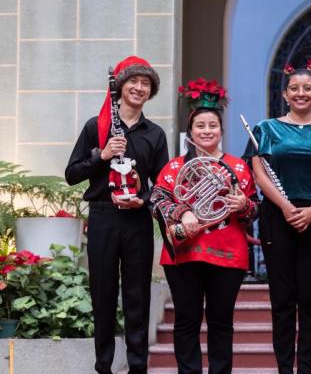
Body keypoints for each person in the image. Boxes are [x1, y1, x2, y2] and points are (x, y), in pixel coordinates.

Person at [65, 56, 169, 374]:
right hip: (103, 217)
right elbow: (72, 174)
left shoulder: (155, 133)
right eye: (133, 81)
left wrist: (144, 199)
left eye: (145, 83)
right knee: (103, 294)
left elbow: (163, 184)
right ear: (120, 87)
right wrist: (103, 155)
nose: (139, 87)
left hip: (137, 220)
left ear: (150, 91)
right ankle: (104, 366)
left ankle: (138, 367)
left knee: (138, 294)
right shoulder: (95, 128)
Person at [150, 79, 259, 374]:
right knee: (187, 319)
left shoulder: (238, 167)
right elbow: (157, 199)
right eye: (200, 126)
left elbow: (254, 210)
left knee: (221, 322)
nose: (207, 131)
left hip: (228, 252)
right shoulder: (175, 167)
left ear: (221, 131)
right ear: (191, 132)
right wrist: (183, 211)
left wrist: (243, 206)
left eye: (212, 125)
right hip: (184, 253)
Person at [243, 60, 311, 374]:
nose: (301, 93)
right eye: (294, 88)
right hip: (277, 216)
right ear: (285, 94)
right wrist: (286, 207)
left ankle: (307, 369)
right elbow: (259, 174)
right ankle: (285, 368)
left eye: (307, 88)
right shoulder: (266, 129)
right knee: (282, 299)